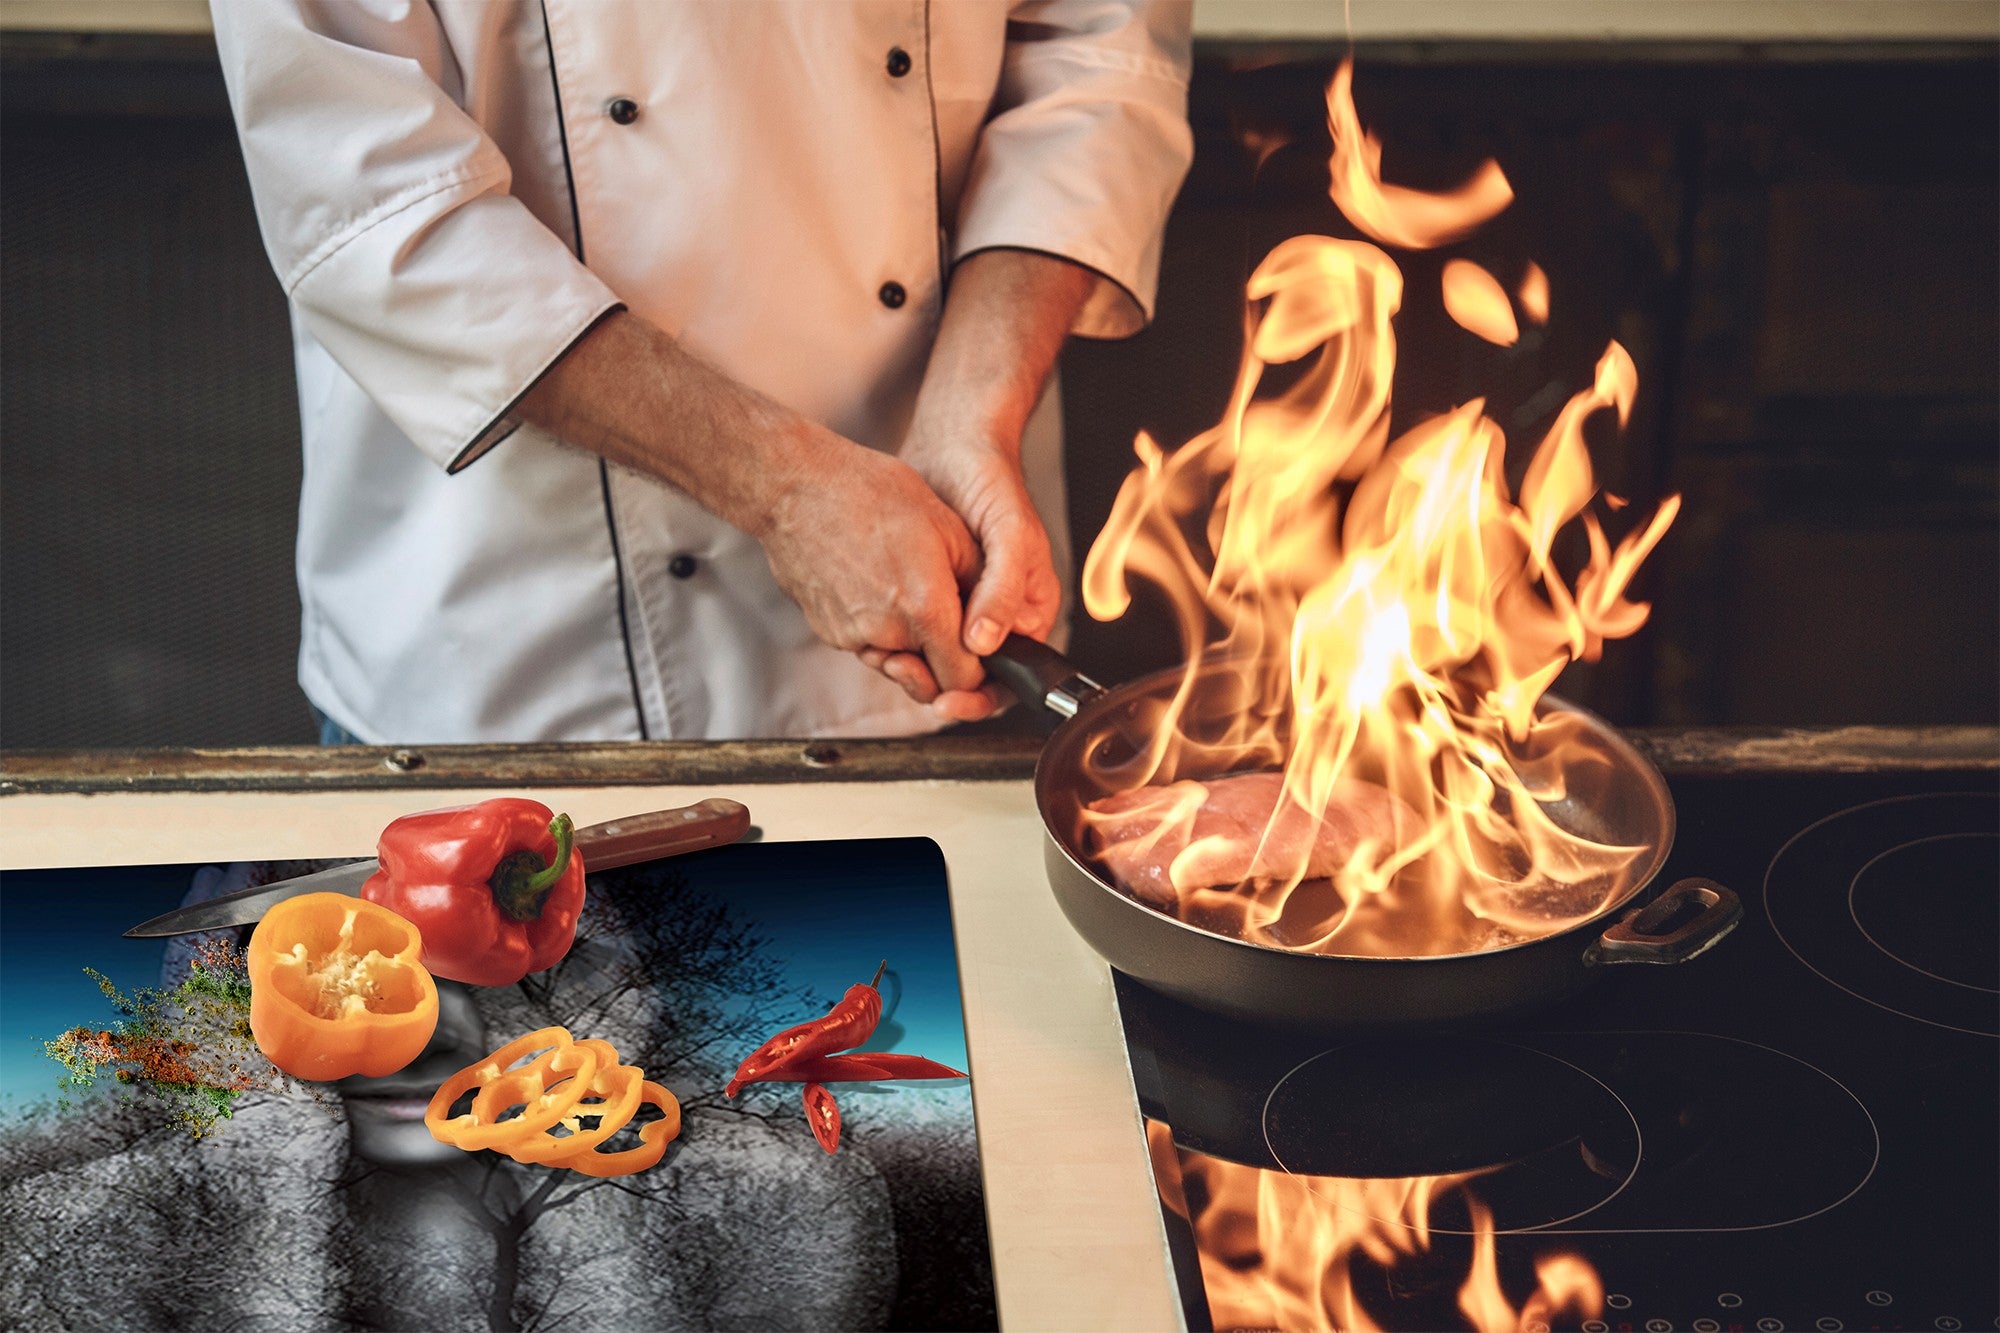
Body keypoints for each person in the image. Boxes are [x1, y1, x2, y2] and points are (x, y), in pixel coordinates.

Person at [210, 0, 1194, 743]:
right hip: (524, 645)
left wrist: (973, 417)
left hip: (951, 572)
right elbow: (372, 198)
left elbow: (1095, 59)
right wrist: (786, 491)